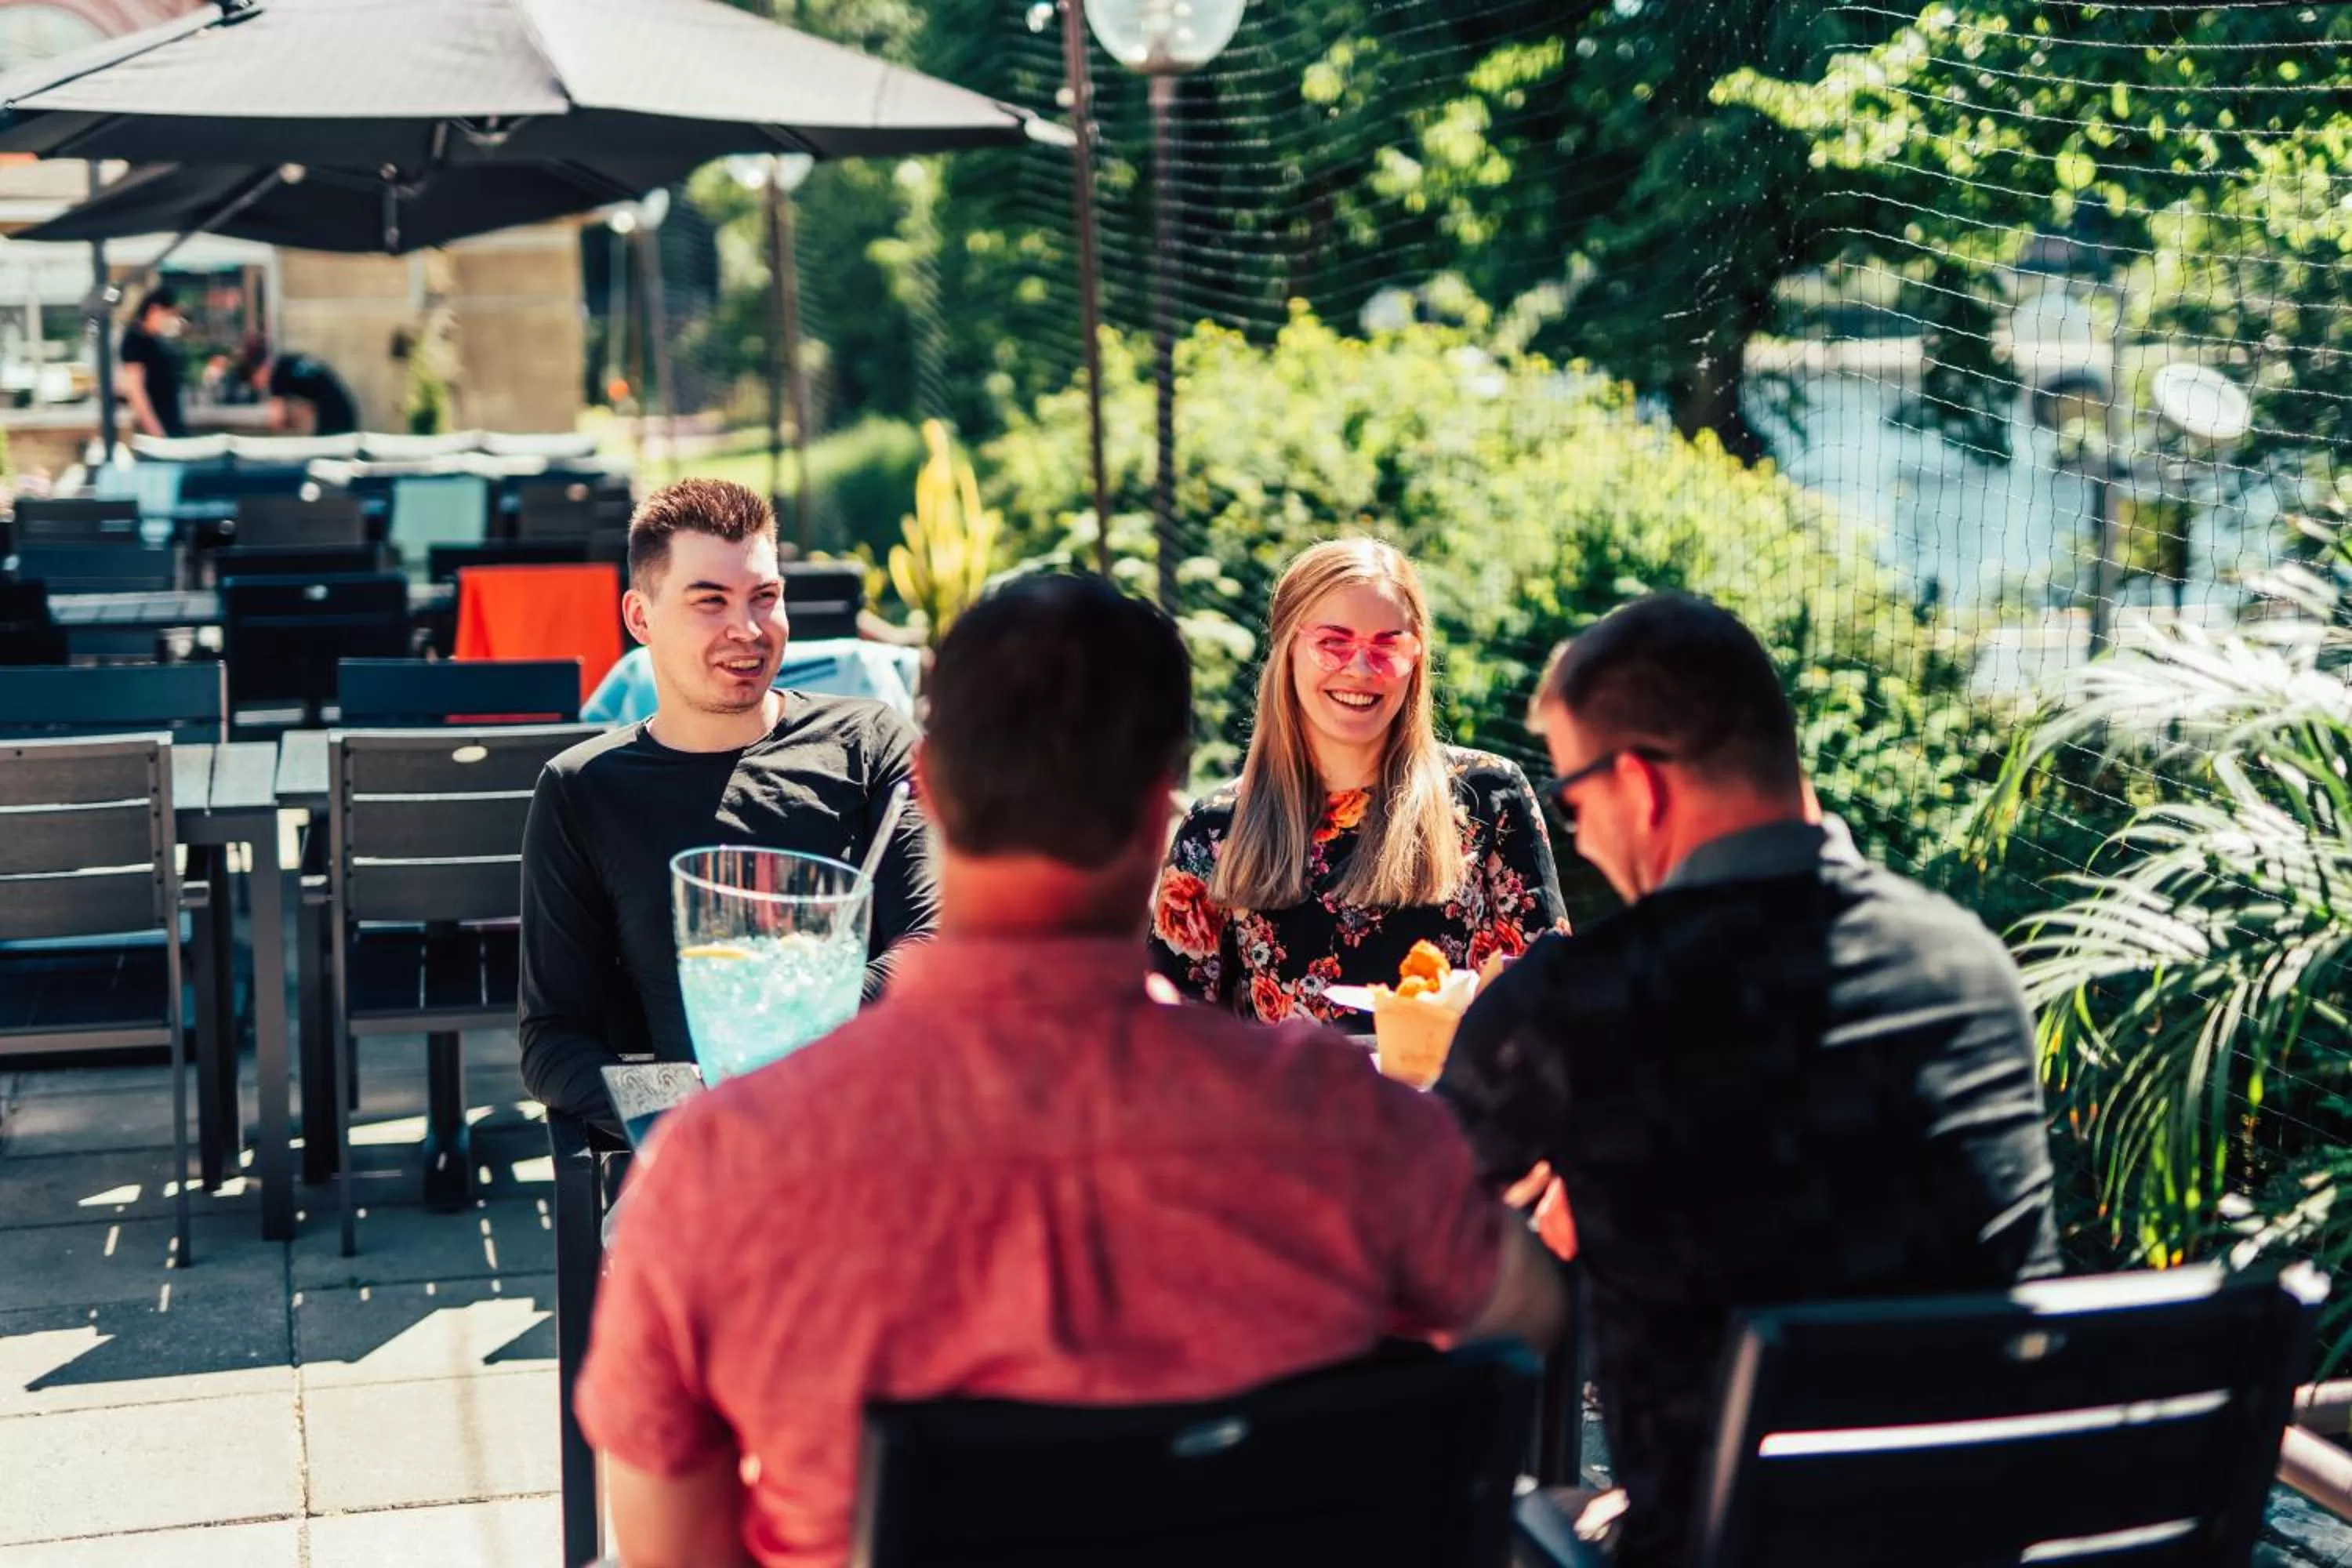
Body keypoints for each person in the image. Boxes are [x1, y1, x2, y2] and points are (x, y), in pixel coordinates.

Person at [576, 573, 1566, 1567]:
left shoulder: (719, 1167)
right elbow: (1523, 1308)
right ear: (1160, 807)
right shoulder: (1345, 1126)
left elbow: (674, 1549)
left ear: (925, 782)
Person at [1433, 591, 2060, 1567]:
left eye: (1575, 801)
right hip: (1979, 1533)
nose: (1583, 836)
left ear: (1640, 786)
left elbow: (1401, 1233)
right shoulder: (1968, 963)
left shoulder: (1581, 1000)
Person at [517, 477, 937, 1139]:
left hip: (885, 1129)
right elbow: (553, 1041)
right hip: (715, 1161)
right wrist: (688, 1116)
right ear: (640, 618)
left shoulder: (869, 742)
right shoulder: (582, 789)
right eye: (710, 601)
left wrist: (781, 1030)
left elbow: (934, 946)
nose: (747, 630)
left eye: (764, 597)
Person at [1147, 538, 1565, 1023]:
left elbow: (1550, 1008)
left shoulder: (1489, 799)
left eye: (1388, 645)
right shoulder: (1216, 830)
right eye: (1333, 643)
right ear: (1287, 651)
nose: (1362, 669)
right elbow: (1174, 1037)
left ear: (1416, 658)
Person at [235, 335, 359, 436]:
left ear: (257, 372)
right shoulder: (285, 362)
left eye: (255, 382)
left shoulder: (277, 376)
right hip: (344, 408)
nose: (258, 387)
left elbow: (275, 419)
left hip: (333, 414)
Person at [117, 287, 187, 439]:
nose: (171, 320)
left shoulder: (157, 340)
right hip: (156, 430)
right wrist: (157, 432)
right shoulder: (135, 339)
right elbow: (136, 391)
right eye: (170, 314)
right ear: (155, 310)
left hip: (170, 422)